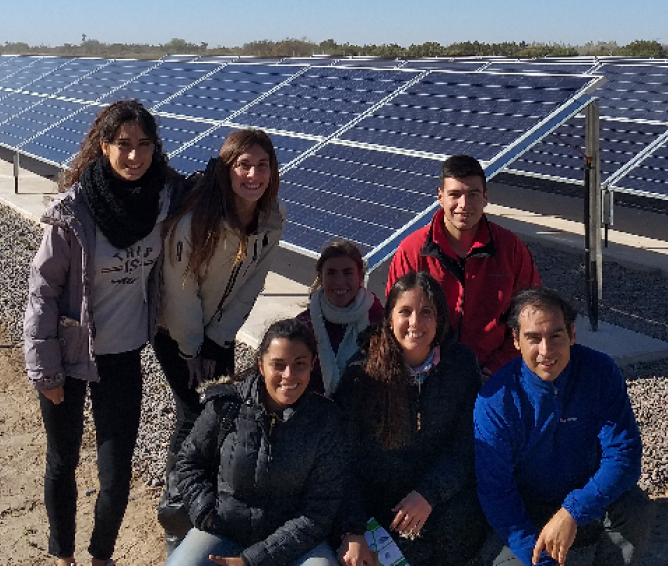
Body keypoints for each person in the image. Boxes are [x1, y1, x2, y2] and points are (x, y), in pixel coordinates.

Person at [22, 99, 181, 566]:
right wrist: (44, 370)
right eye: (124, 145)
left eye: (144, 145)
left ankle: (101, 556)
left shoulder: (164, 200)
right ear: (104, 146)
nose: (135, 157)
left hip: (123, 356)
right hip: (68, 357)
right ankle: (63, 554)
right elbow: (42, 293)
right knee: (63, 460)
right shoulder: (74, 212)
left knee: (115, 471)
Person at [154, 129, 286, 548]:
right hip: (175, 330)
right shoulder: (198, 219)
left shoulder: (270, 220)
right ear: (228, 169)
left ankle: (207, 500)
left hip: (216, 334)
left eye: (262, 165)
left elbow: (252, 284)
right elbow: (180, 287)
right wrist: (193, 347)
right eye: (243, 165)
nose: (253, 174)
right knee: (195, 413)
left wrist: (218, 340)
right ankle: (177, 513)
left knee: (221, 413)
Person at [473, 288, 654, 566]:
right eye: (533, 338)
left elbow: (624, 455)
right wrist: (539, 559)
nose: (546, 351)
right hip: (529, 509)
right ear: (516, 340)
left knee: (635, 508)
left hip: (588, 496)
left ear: (571, 334)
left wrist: (573, 511)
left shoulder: (600, 372)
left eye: (555, 336)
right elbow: (496, 493)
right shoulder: (495, 400)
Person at [335, 271, 488, 566]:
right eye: (405, 311)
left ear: (440, 320)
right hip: (378, 507)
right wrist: (351, 529)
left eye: (427, 312)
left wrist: (429, 493)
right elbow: (342, 459)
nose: (415, 323)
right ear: (390, 318)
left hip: (440, 499)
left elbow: (467, 443)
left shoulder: (461, 365)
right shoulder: (362, 374)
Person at [165, 318, 345, 566]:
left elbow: (321, 508)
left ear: (313, 364)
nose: (288, 375)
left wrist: (254, 559)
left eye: (299, 364)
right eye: (278, 365)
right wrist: (205, 512)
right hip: (225, 530)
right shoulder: (228, 405)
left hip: (293, 544)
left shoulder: (325, 421)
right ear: (261, 365)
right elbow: (188, 461)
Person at [386, 154, 541, 377]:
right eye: (455, 194)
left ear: (486, 197)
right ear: (440, 197)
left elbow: (531, 315)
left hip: (494, 376)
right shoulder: (411, 251)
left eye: (473, 194)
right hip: (428, 376)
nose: (464, 204)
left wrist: (495, 370)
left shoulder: (511, 249)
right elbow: (396, 319)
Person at [294, 240, 384, 396]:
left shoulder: (380, 321)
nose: (339, 282)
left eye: (348, 273)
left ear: (360, 277)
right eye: (331, 273)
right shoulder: (303, 326)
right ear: (320, 277)